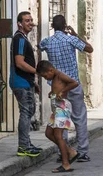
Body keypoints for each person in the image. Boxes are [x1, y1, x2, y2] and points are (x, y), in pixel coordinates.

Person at [40, 15, 94, 163]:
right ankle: (82, 152)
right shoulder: (71, 39)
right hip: (73, 85)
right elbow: (90, 48)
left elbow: (39, 46)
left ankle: (62, 152)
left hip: (57, 89)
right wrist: (76, 35)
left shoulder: (47, 42)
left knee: (60, 121)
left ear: (52, 26)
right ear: (65, 26)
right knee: (79, 119)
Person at [36, 60, 80, 173]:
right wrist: (53, 92)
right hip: (56, 109)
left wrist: (62, 91)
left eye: (45, 76)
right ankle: (70, 152)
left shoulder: (60, 75)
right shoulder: (54, 78)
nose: (46, 79)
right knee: (49, 133)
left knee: (58, 135)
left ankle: (66, 164)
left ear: (51, 70)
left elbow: (74, 83)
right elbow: (57, 87)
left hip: (62, 107)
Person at [10, 11, 41, 157]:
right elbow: (19, 62)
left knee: (29, 110)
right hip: (20, 81)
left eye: (31, 20)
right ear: (19, 24)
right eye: (26, 21)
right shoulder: (20, 39)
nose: (30, 23)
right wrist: (37, 72)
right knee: (26, 112)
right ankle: (23, 146)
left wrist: (33, 82)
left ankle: (26, 143)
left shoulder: (22, 38)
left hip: (25, 81)